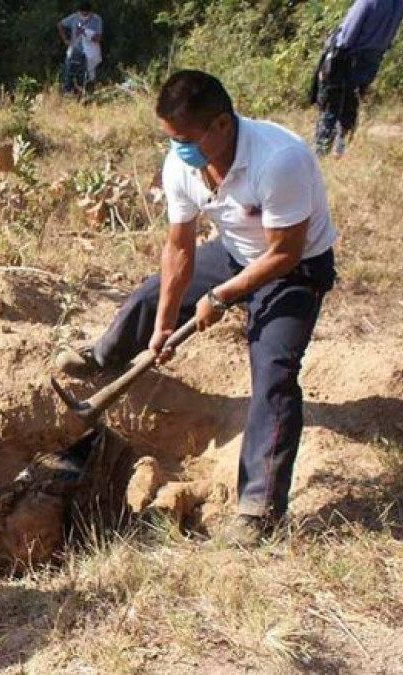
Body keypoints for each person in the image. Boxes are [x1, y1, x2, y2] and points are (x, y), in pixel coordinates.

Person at [56, 71, 338, 545]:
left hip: (295, 268)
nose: (177, 149)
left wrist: (220, 297)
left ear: (221, 125)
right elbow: (180, 248)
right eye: (171, 139)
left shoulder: (279, 160)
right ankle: (104, 357)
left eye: (185, 140)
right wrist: (165, 323)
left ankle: (259, 510)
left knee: (274, 372)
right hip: (234, 251)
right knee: (148, 298)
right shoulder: (181, 164)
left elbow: (285, 252)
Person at [312, 0, 403, 156]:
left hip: (349, 56)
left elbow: (347, 37)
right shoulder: (400, 3)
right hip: (373, 58)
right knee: (351, 101)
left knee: (331, 102)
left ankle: (321, 152)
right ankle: (340, 148)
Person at [58, 2, 103, 94]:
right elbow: (60, 25)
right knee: (69, 71)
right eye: (82, 13)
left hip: (89, 52)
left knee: (87, 74)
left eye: (86, 13)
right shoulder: (74, 17)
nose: (84, 15)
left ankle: (87, 92)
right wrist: (65, 40)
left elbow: (98, 37)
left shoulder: (96, 19)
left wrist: (87, 33)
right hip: (75, 49)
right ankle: (67, 91)